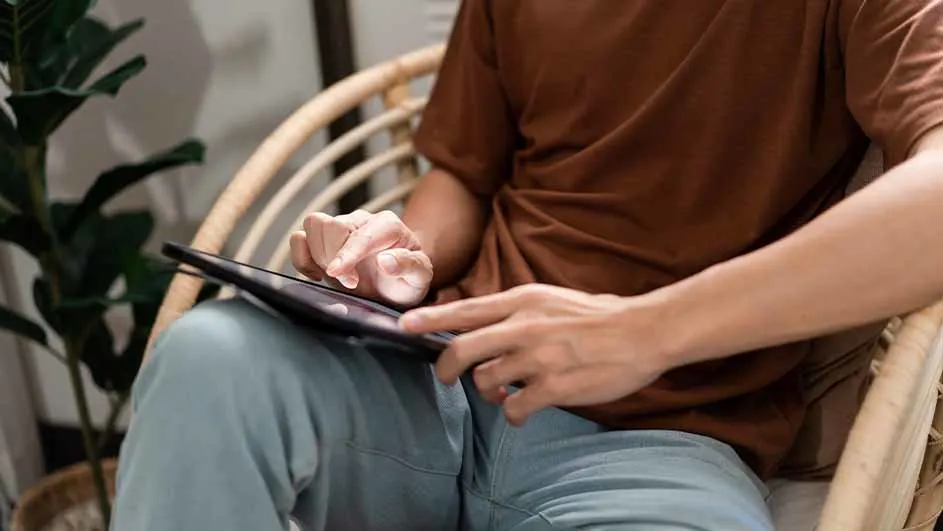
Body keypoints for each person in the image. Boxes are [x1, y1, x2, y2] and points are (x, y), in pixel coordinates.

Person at [111, 1, 943, 530]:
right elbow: (465, 173)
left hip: (664, 443)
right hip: (442, 379)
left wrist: (645, 331)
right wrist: (397, 250)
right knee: (209, 358)